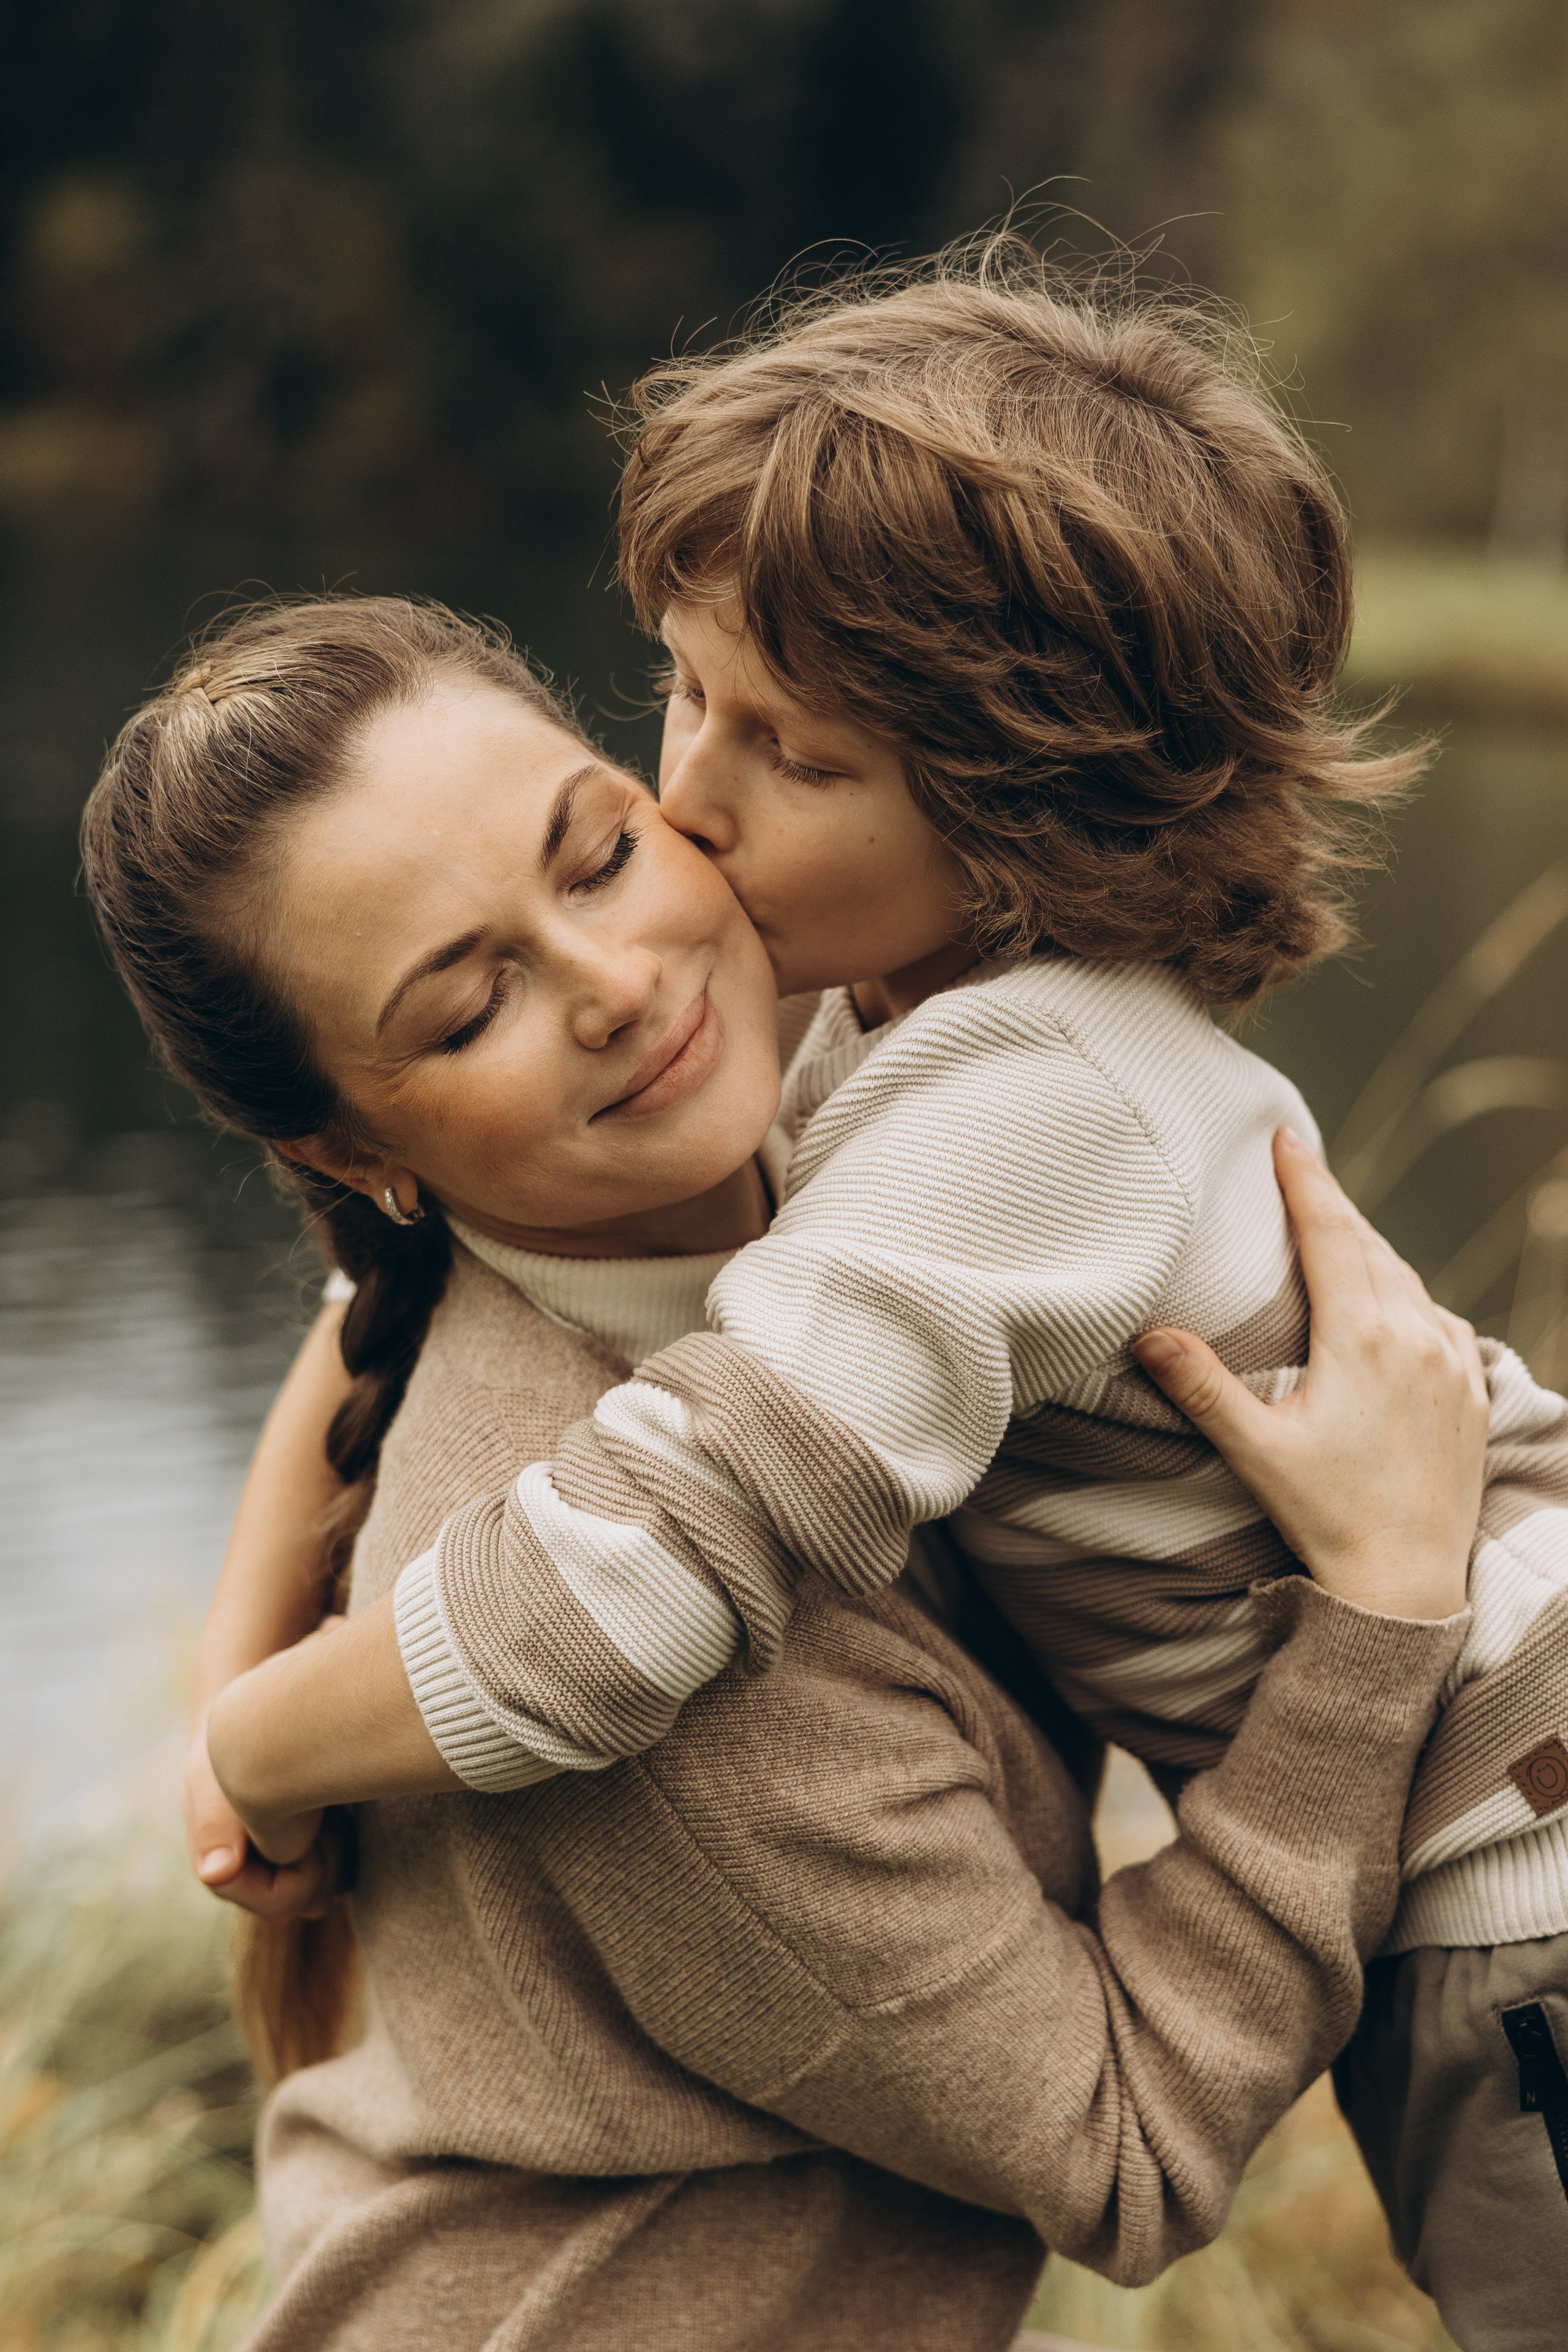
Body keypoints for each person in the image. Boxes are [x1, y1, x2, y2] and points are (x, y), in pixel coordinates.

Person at [178, 244, 1568, 2348]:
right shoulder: (888, 1026)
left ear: (1015, 818)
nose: (693, 814)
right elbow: (372, 1310)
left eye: (789, 754)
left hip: (1521, 1883)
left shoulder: (1022, 1104)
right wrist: (243, 1634)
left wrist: (269, 1740)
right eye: (683, 695)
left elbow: (647, 1567)